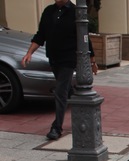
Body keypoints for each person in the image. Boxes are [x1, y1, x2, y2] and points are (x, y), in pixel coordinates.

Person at [21, 0, 98, 141]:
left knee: (60, 91)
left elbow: (84, 38)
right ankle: (76, 99)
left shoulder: (76, 12)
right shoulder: (48, 11)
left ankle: (56, 128)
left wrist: (92, 61)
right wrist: (29, 53)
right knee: (66, 90)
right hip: (54, 58)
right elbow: (40, 35)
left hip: (68, 59)